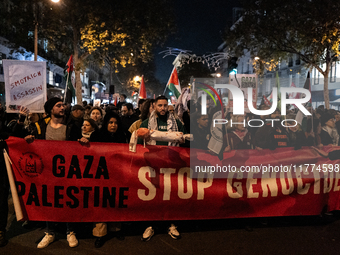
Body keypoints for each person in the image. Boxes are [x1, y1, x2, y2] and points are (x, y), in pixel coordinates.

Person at [24, 97, 79, 249]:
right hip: (47, 171)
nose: (62, 108)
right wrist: (28, 141)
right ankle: (50, 232)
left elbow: (77, 147)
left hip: (67, 171)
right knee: (49, 200)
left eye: (63, 105)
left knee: (68, 199)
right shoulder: (40, 126)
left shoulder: (72, 126)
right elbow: (34, 146)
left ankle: (70, 230)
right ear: (50, 109)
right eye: (58, 105)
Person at [138, 95, 185, 241]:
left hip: (171, 165)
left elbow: (182, 143)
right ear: (154, 106)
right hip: (153, 165)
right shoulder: (146, 123)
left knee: (170, 195)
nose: (163, 108)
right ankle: (150, 225)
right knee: (153, 196)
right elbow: (139, 144)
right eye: (160, 105)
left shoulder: (177, 123)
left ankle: (171, 224)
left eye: (165, 105)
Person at [87, 112, 126, 248]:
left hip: (117, 174)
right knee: (101, 203)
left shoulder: (122, 136)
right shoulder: (96, 136)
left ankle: (116, 229)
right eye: (110, 122)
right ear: (106, 123)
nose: (113, 125)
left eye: (115, 123)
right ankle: (100, 233)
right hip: (101, 174)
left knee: (115, 200)